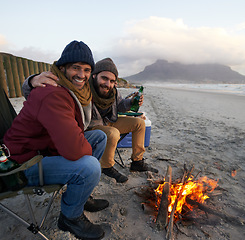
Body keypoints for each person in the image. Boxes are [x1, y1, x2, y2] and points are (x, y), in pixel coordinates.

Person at [4, 40, 108, 240]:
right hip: (22, 164)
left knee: (99, 136)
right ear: (62, 68)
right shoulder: (53, 94)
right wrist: (79, 146)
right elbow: (74, 150)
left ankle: (81, 196)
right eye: (75, 68)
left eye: (86, 69)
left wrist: (78, 142)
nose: (81, 75)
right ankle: (70, 217)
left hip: (41, 149)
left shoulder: (70, 90)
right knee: (90, 167)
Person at [22, 58, 158, 184]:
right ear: (94, 75)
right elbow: (34, 91)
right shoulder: (83, 88)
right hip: (92, 127)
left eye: (111, 81)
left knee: (139, 124)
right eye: (104, 78)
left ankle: (137, 162)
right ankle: (107, 166)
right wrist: (31, 80)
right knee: (112, 133)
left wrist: (131, 102)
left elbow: (120, 105)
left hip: (109, 121)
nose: (107, 84)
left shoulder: (113, 91)